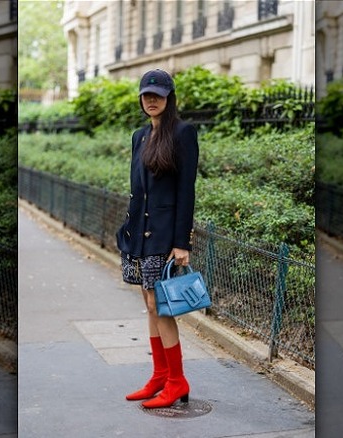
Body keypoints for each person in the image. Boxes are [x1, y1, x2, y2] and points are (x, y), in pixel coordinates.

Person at [117, 69, 199, 409]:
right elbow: (139, 190)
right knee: (149, 305)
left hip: (164, 236)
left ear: (169, 98)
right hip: (138, 234)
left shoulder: (182, 133)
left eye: (158, 95)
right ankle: (160, 376)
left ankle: (177, 381)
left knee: (160, 305)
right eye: (146, 95)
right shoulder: (139, 136)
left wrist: (182, 242)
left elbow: (186, 191)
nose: (151, 100)